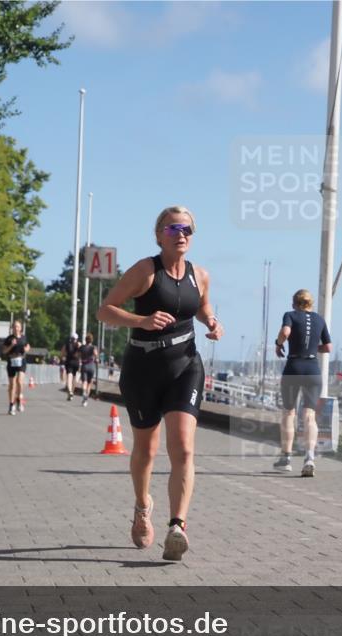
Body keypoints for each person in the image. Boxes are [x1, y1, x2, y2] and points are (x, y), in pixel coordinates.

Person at [97, 206, 222, 561]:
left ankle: (177, 527)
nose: (181, 234)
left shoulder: (200, 275)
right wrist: (143, 319)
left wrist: (212, 321)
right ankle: (141, 506)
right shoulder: (144, 271)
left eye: (187, 229)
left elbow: (201, 305)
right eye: (172, 229)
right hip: (143, 367)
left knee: (182, 447)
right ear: (158, 235)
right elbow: (105, 310)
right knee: (146, 451)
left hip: (185, 365)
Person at [273, 289, 332, 477]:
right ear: (310, 304)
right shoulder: (319, 320)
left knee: (289, 413)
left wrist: (278, 343)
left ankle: (286, 458)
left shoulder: (290, 315)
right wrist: (314, 347)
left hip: (294, 367)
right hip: (313, 370)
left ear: (294, 303)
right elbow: (328, 347)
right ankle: (309, 457)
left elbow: (285, 331)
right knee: (309, 416)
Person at [2, 319, 30, 415]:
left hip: (21, 360)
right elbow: (4, 351)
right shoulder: (9, 339)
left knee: (19, 381)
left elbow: (28, 346)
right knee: (12, 385)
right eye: (14, 326)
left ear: (20, 328)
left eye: (17, 326)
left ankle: (19, 397)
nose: (16, 328)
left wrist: (26, 349)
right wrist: (11, 345)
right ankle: (11, 405)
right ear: (12, 328)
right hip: (11, 361)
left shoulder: (23, 338)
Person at [79, 332, 98, 406]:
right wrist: (96, 359)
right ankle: (86, 399)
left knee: (84, 382)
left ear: (85, 340)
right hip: (91, 365)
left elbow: (78, 355)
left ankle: (84, 392)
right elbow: (96, 355)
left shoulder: (82, 347)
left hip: (84, 365)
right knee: (89, 383)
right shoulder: (93, 347)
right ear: (91, 340)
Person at [61, 333, 81, 400]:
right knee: (74, 377)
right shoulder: (78, 344)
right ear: (76, 338)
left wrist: (65, 356)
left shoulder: (66, 344)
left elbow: (62, 353)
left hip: (69, 361)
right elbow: (81, 353)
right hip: (76, 362)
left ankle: (69, 391)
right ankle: (72, 392)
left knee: (69, 376)